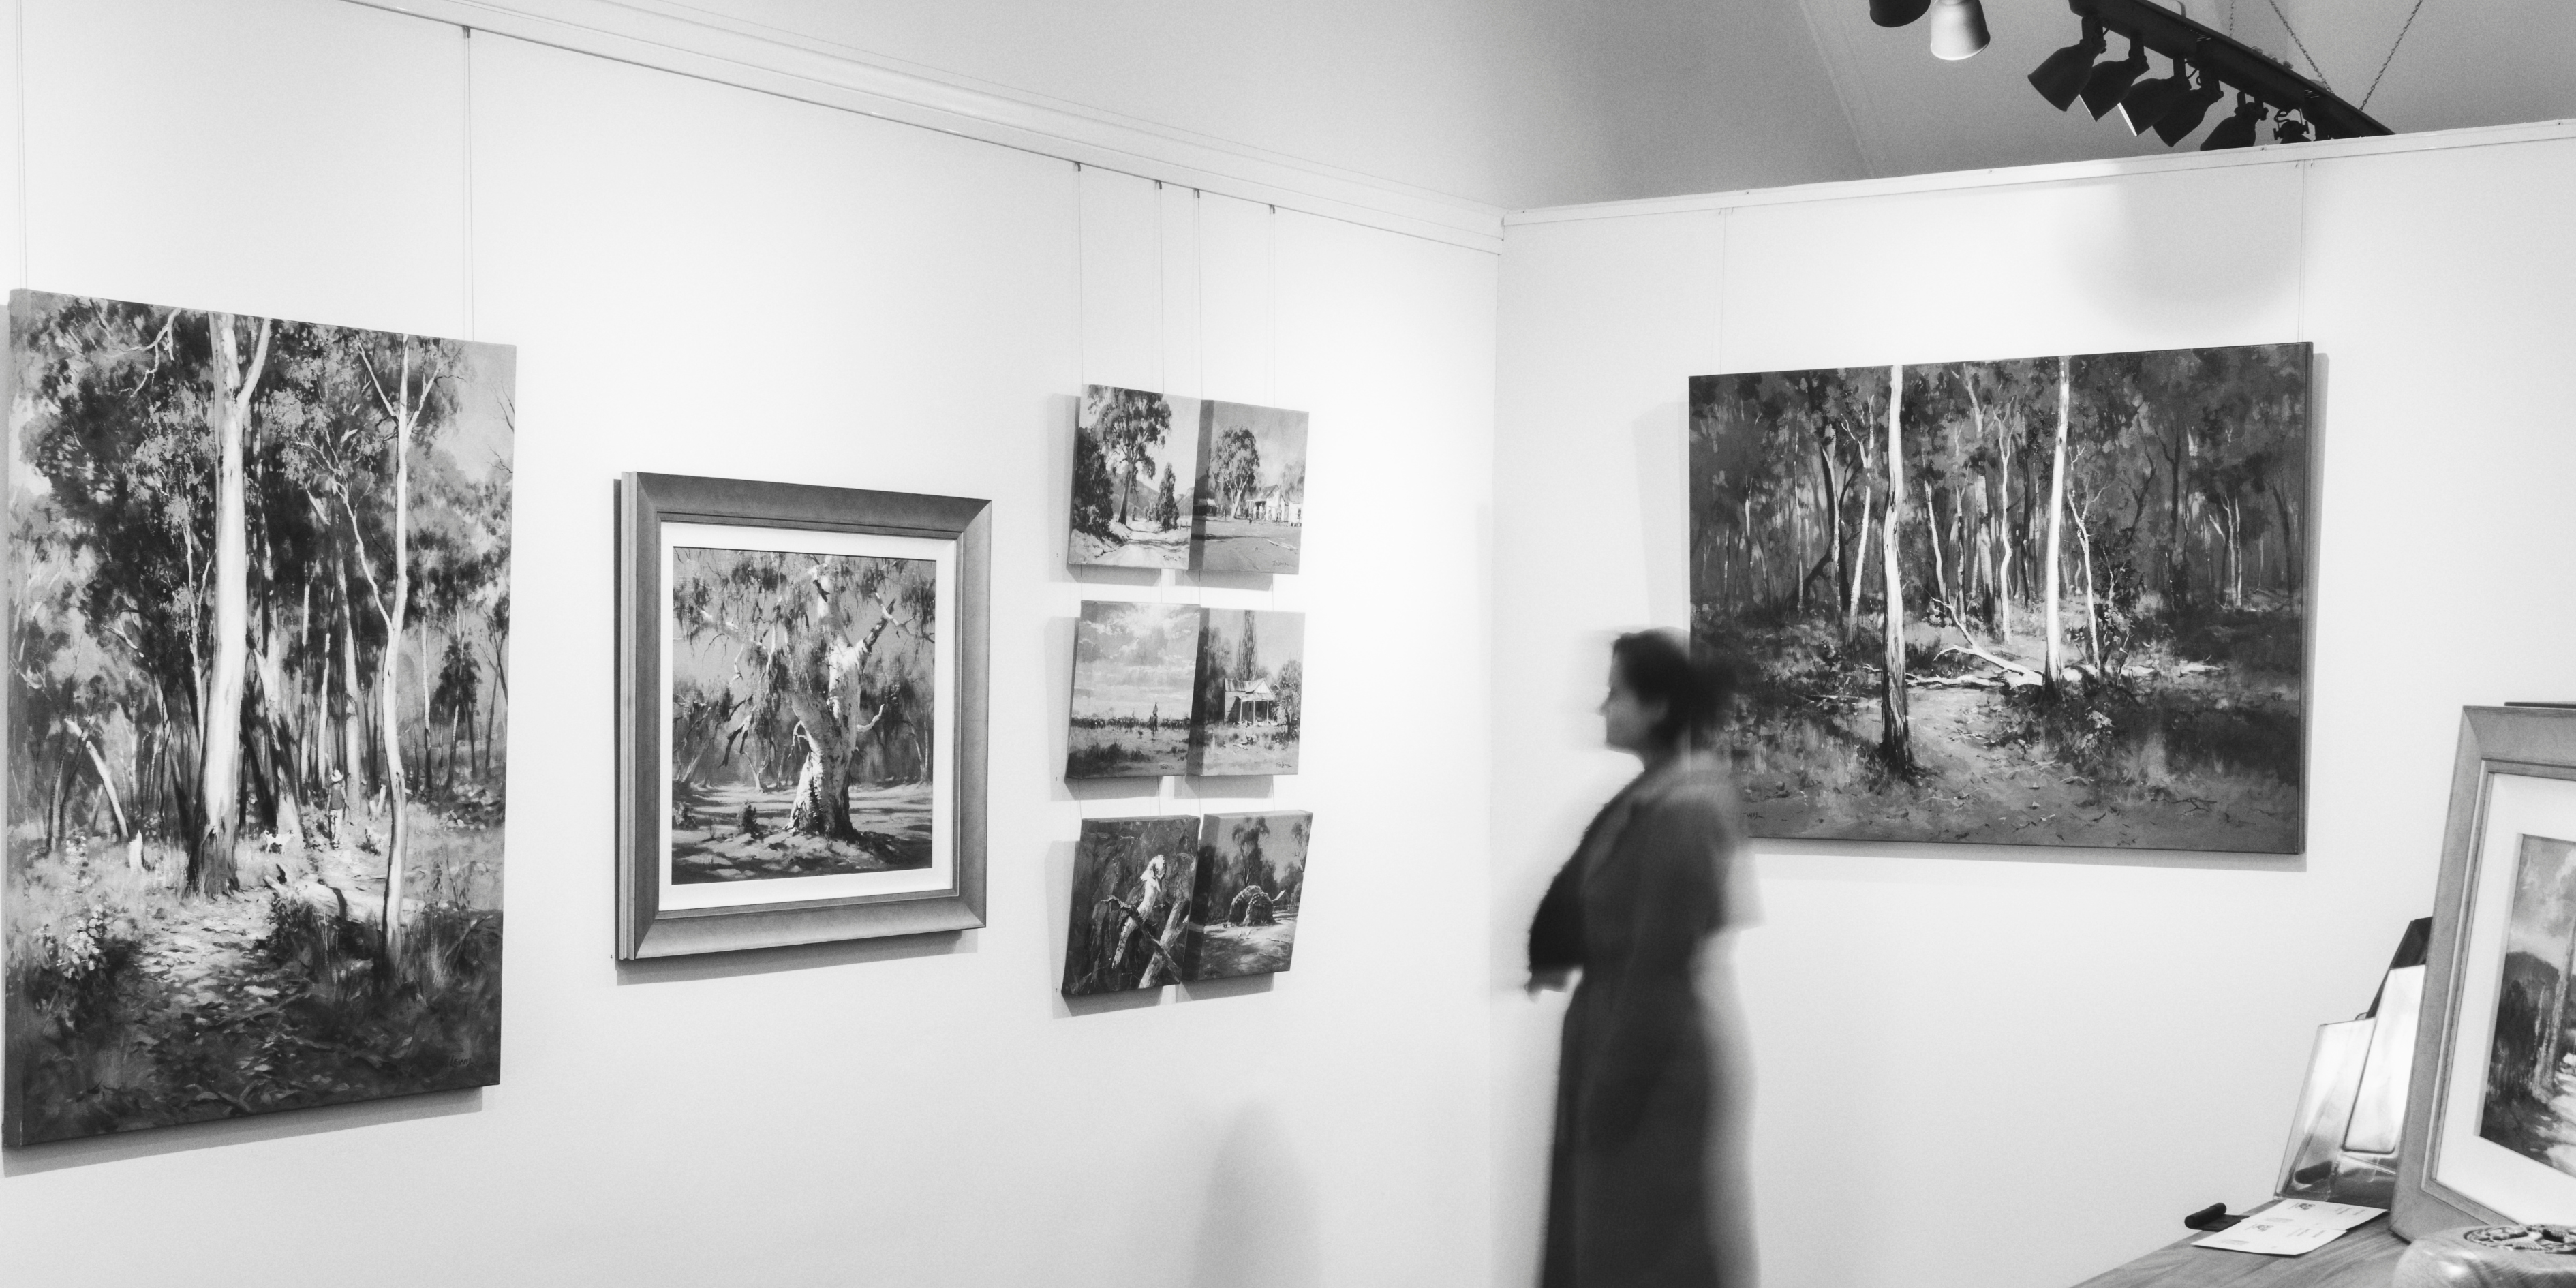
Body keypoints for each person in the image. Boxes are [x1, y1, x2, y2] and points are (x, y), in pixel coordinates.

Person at [1530, 628, 1751, 1288]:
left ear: (1657, 706)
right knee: (1610, 1251)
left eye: (1616, 693)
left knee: (1644, 1259)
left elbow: (1660, 968)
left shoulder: (1686, 810)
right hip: (1625, 1040)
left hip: (1654, 1064)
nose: (1603, 707)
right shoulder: (1656, 796)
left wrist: (1611, 1090)